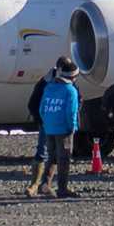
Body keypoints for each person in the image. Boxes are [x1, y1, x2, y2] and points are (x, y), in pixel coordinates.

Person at [30, 61, 82, 198]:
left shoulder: (49, 87)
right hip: (63, 129)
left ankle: (45, 184)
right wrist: (72, 127)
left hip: (49, 128)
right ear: (73, 76)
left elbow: (41, 108)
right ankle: (62, 188)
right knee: (64, 158)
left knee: (52, 157)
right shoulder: (71, 90)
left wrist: (46, 123)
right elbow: (71, 112)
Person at [26, 60, 64, 176]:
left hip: (51, 122)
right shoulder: (46, 83)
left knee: (47, 152)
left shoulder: (45, 82)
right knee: (52, 153)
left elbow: (32, 103)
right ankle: (44, 182)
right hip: (52, 122)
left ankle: (40, 183)